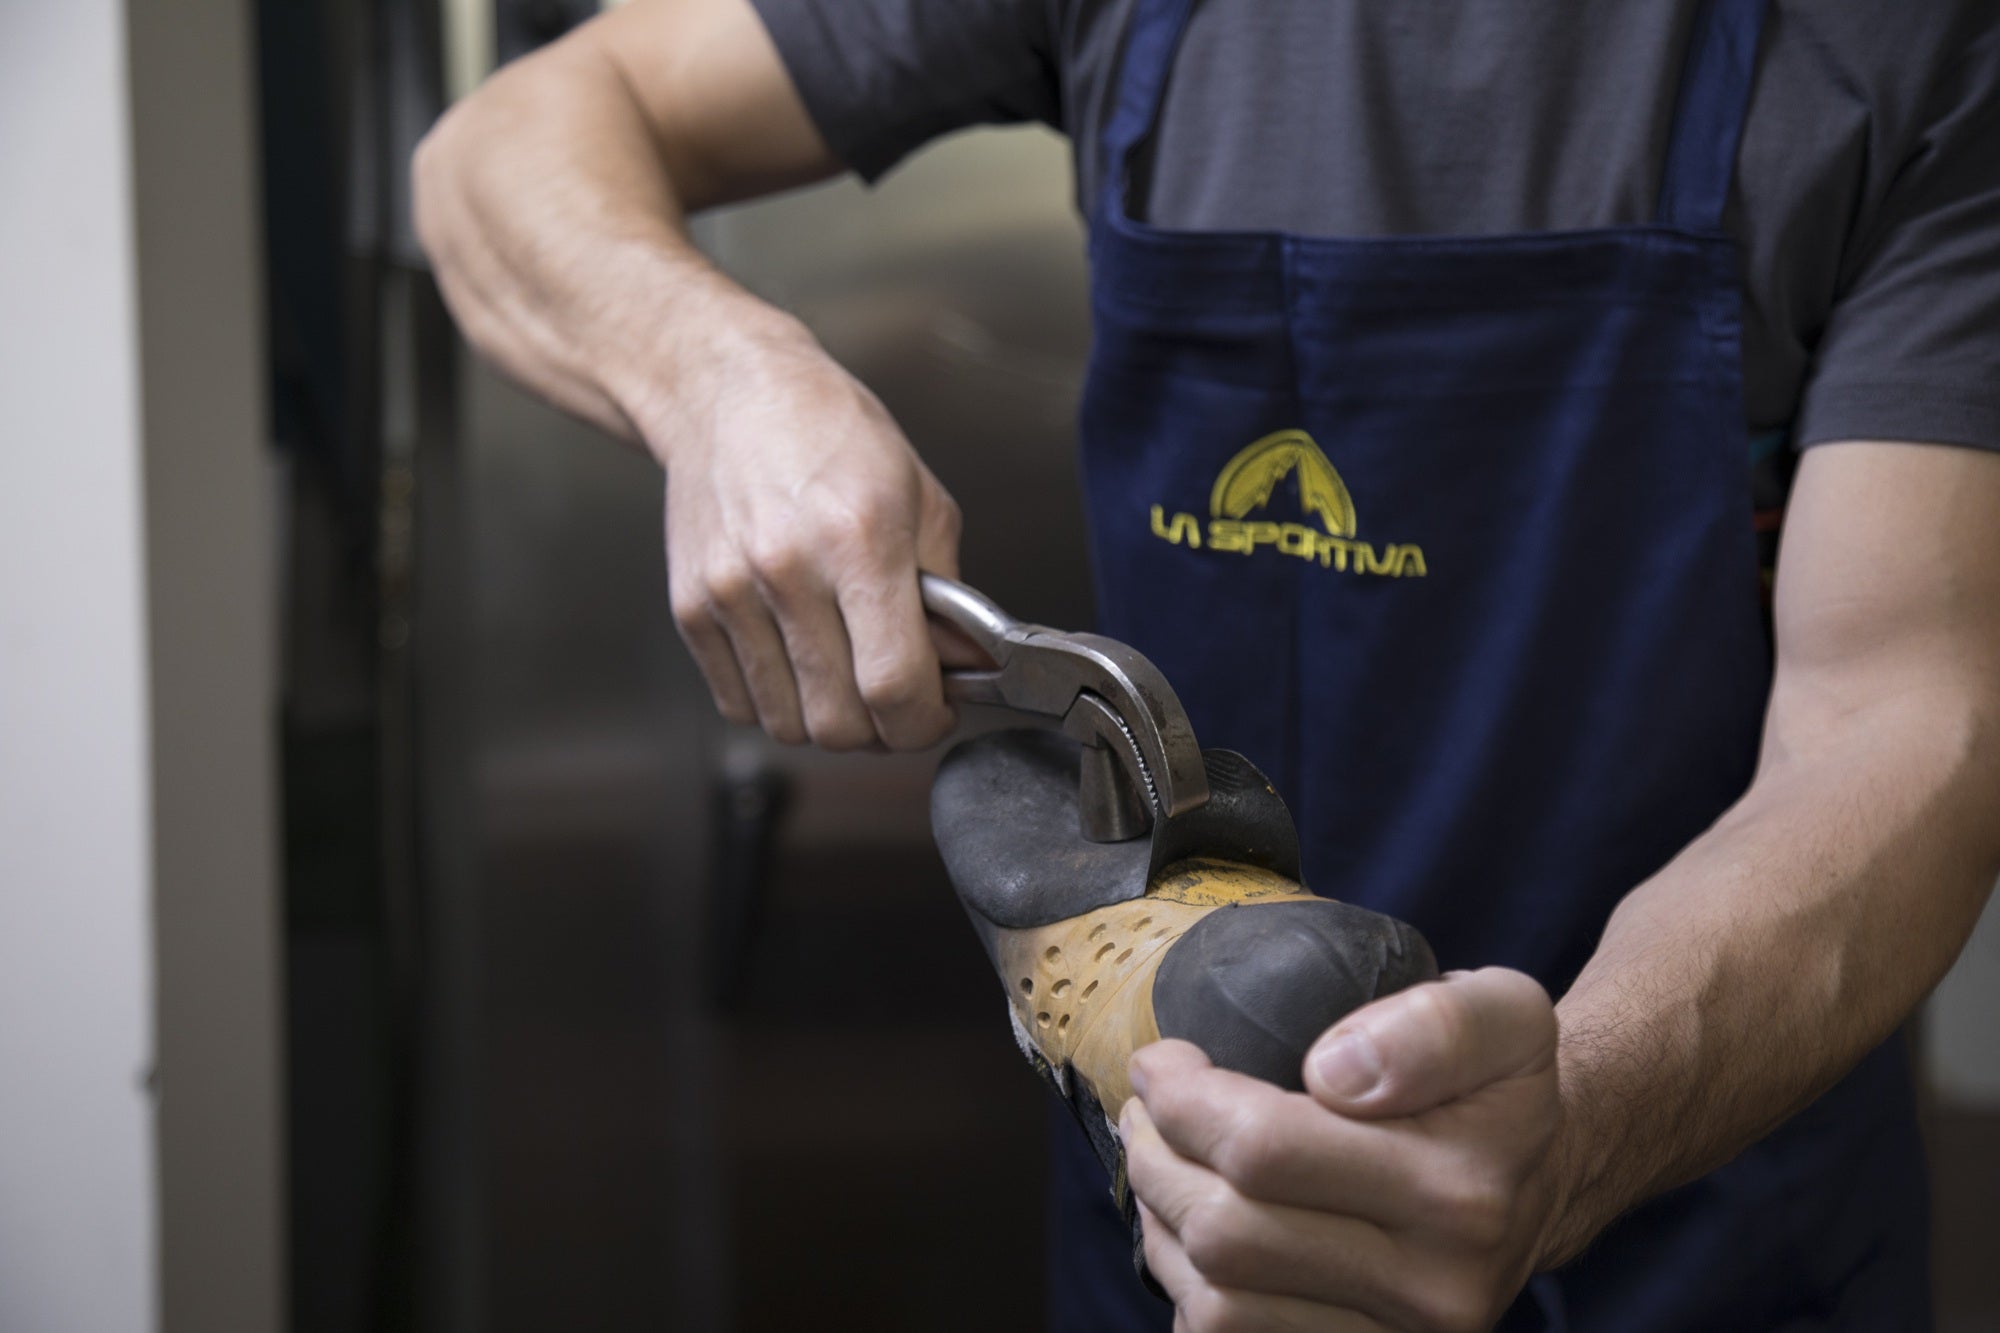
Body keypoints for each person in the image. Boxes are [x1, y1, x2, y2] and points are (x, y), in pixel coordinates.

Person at [412, 1, 2000, 1327]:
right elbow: (511, 144)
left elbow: (1900, 721)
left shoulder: (1914, 45)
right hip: (1175, 1221)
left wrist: (1569, 1130)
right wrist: (723, 383)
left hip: (1704, 1218)